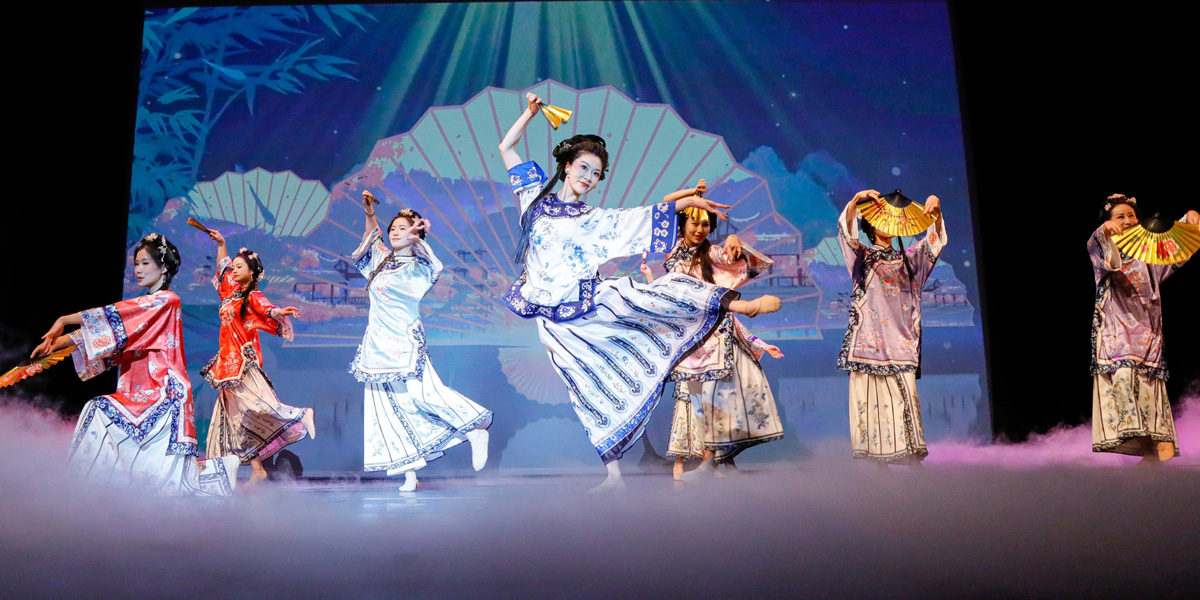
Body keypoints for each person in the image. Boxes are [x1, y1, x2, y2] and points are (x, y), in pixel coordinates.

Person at [499, 92, 781, 492]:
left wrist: (684, 201)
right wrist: (530, 114)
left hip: (589, 305)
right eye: (583, 167)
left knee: (661, 292)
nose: (588, 177)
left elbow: (638, 219)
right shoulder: (533, 199)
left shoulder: (593, 218)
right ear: (565, 166)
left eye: (596, 174)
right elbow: (506, 146)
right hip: (551, 321)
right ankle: (613, 474)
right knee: (588, 390)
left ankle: (740, 303)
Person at [32, 233, 237, 495]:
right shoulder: (147, 307)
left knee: (97, 410)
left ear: (163, 267)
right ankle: (92, 491)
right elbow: (109, 334)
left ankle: (78, 490)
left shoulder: (166, 300)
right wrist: (53, 345)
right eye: (136, 264)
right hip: (141, 389)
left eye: (144, 263)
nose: (137, 270)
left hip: (163, 389)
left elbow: (117, 316)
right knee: (103, 422)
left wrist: (65, 319)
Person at [641, 182, 785, 481]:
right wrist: (692, 193)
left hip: (712, 338)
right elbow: (667, 201)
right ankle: (697, 463)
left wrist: (734, 238)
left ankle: (714, 462)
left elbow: (744, 261)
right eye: (695, 222)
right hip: (685, 338)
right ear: (684, 224)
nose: (700, 228)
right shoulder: (672, 247)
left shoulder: (713, 254)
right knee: (691, 403)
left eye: (706, 224)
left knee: (713, 401)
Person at [351, 196, 492, 492]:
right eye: (394, 228)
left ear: (415, 234)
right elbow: (371, 239)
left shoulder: (418, 267)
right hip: (377, 345)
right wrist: (370, 214)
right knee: (389, 410)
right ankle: (409, 474)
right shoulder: (382, 262)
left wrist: (418, 241)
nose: (395, 231)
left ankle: (474, 430)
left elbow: (434, 264)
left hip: (404, 340)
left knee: (423, 394)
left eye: (403, 228)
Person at [837, 190, 945, 467]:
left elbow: (934, 242)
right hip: (868, 345)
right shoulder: (861, 258)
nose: (887, 225)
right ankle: (880, 471)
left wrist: (936, 212)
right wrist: (855, 200)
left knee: (904, 405)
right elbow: (846, 232)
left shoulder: (909, 261)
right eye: (881, 221)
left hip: (900, 345)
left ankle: (914, 466)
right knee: (874, 410)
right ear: (871, 227)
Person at [1088, 194, 1199, 463]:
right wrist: (1105, 231)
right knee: (1124, 383)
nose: (1127, 221)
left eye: (1131, 216)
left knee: (1149, 389)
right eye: (1120, 216)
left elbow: (1175, 251)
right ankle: (1148, 450)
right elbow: (1107, 258)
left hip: (1148, 333)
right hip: (1116, 334)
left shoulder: (1149, 254)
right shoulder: (1100, 244)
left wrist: (1191, 220)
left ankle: (1154, 452)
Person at [199, 230, 314, 486]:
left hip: (243, 363)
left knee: (256, 406)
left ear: (252, 272)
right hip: (227, 365)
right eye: (233, 266)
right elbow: (222, 269)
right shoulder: (230, 293)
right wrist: (221, 243)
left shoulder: (251, 294)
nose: (233, 269)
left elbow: (266, 308)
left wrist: (278, 311)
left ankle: (300, 414)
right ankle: (256, 468)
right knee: (236, 419)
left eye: (239, 267)